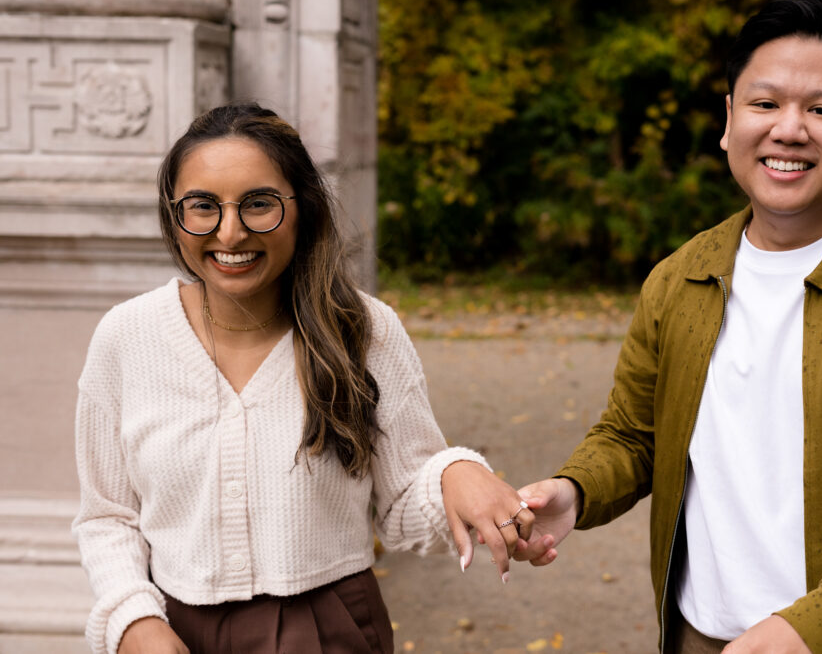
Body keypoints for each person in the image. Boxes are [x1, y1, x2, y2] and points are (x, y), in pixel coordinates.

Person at [515, 0, 822, 654]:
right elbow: (636, 435)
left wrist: (811, 625)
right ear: (729, 120)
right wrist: (574, 490)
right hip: (703, 635)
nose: (789, 129)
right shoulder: (679, 278)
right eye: (765, 103)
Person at [72, 102, 533, 654]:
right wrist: (131, 619)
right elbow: (107, 515)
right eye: (202, 207)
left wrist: (455, 473)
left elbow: (404, 509)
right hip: (172, 634)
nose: (231, 232)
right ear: (175, 215)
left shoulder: (361, 331)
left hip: (329, 630)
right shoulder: (126, 338)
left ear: (303, 207)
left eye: (259, 204)